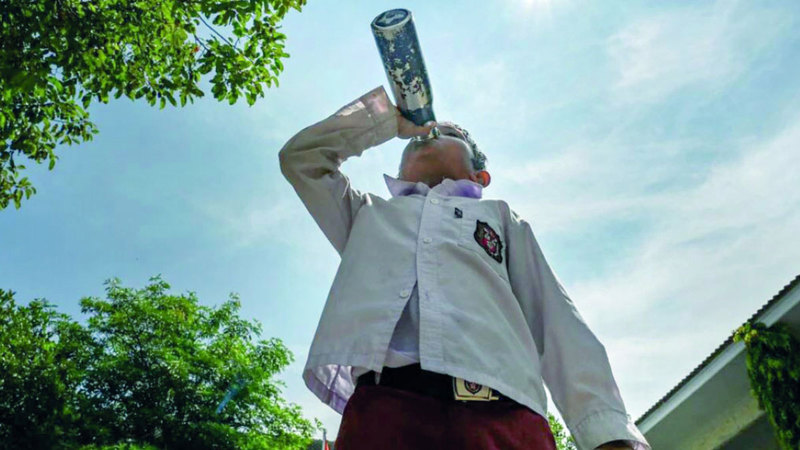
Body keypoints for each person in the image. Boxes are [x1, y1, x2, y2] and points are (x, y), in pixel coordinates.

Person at [278, 86, 651, 450]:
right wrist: (386, 120)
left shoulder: (502, 219)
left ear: (479, 177)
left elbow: (557, 320)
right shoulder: (368, 214)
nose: (432, 132)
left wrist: (608, 435)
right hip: (384, 411)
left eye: (451, 133)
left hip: (506, 413)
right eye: (422, 133)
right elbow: (302, 159)